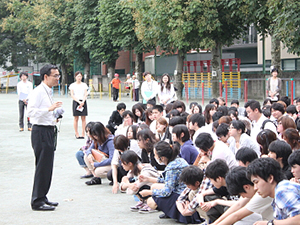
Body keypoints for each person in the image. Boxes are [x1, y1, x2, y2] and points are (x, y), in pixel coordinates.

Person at [27, 64, 63, 211]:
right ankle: (37, 200)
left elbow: (45, 112)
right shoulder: (38, 92)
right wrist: (49, 109)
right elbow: (30, 112)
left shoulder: (48, 91)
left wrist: (54, 114)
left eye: (58, 75)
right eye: (55, 76)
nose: (57, 78)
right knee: (42, 166)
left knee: (47, 166)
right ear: (45, 77)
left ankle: (43, 196)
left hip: (48, 129)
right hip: (40, 132)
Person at [139, 141, 198, 223]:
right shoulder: (179, 160)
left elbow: (167, 192)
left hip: (180, 195)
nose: (154, 157)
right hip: (185, 191)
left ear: (162, 158)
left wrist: (149, 192)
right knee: (154, 186)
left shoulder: (171, 168)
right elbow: (169, 180)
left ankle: (171, 211)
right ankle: (168, 212)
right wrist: (148, 179)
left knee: (150, 201)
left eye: (155, 155)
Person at [247, 157, 300, 224]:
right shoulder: (279, 191)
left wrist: (269, 223)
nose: (255, 188)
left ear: (270, 178)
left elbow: (298, 219)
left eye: (256, 182)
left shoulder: (282, 191)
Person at [69, 71, 88, 139]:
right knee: (76, 118)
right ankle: (76, 133)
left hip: (83, 101)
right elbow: (72, 95)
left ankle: (83, 133)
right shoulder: (72, 85)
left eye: (80, 76)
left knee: (83, 118)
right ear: (75, 77)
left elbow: (85, 94)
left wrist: (83, 101)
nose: (79, 78)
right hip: (76, 102)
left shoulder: (84, 85)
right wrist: (78, 102)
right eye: (78, 76)